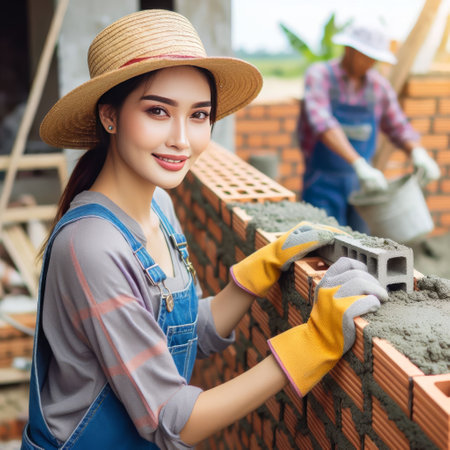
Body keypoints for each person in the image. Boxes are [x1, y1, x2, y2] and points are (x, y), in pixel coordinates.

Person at [21, 10, 388, 450]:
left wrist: (260, 271)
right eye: (158, 110)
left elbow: (188, 330)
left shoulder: (161, 204)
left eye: (199, 115)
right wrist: (312, 343)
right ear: (109, 116)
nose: (181, 138)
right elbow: (173, 421)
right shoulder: (91, 246)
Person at [298, 20, 441, 232]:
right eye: (366, 56)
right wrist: (358, 163)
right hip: (323, 182)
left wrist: (417, 151)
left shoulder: (378, 86)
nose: (370, 63)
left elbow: (398, 125)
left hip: (363, 185)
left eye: (375, 58)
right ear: (349, 49)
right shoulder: (320, 76)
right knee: (321, 242)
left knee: (359, 246)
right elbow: (322, 123)